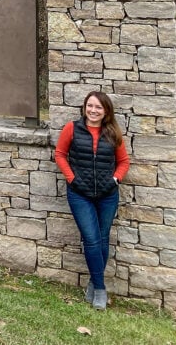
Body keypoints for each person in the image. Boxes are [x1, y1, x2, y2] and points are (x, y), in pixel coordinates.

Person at [54, 91, 130, 310]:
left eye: (98, 107)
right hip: (80, 194)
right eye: (90, 106)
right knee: (91, 239)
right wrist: (72, 178)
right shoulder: (72, 128)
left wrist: (115, 180)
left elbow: (124, 161)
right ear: (84, 107)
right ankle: (100, 289)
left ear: (106, 111)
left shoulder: (113, 132)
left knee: (103, 239)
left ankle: (93, 282)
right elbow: (60, 154)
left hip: (107, 195)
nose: (93, 111)